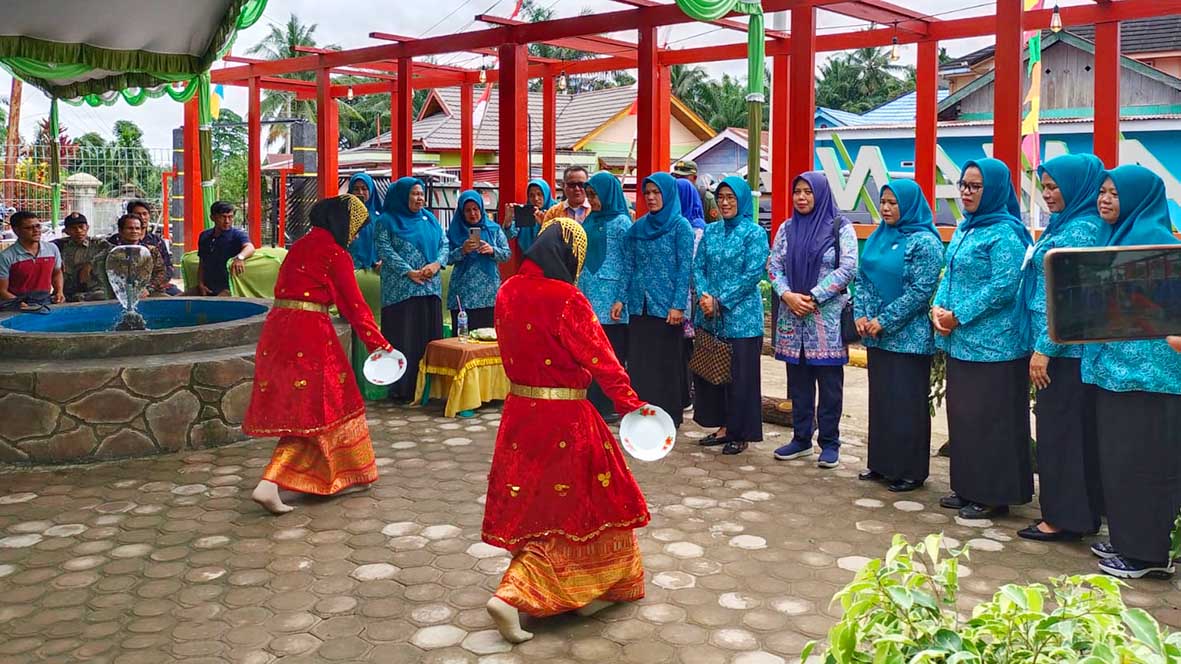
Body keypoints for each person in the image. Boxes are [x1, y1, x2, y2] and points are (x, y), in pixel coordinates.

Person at [483, 218, 650, 644]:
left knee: (534, 506)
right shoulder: (566, 298)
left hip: (519, 414)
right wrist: (632, 404)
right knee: (585, 507)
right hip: (565, 417)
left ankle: (567, 589)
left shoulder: (506, 291)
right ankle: (514, 594)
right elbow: (601, 359)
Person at [244, 195, 394, 514]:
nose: (354, 235)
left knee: (322, 403)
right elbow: (354, 306)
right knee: (316, 409)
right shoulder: (335, 253)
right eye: (355, 228)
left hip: (279, 328)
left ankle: (342, 474)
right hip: (310, 332)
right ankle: (270, 483)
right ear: (342, 223)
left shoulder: (300, 245)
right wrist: (380, 345)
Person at [1083, 165, 1181, 579]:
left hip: (1151, 379)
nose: (1105, 199)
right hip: (1114, 372)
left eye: (1115, 194)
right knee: (1121, 462)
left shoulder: (1157, 245)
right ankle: (1128, 539)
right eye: (1102, 192)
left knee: (1146, 464)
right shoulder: (1113, 239)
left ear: (1139, 199)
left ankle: (1149, 554)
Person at [931, 158, 1034, 521]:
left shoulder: (1005, 232)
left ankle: (993, 494)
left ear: (993, 191)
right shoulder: (966, 228)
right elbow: (950, 271)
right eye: (963, 184)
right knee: (966, 418)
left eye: (975, 187)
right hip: (961, 342)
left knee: (992, 421)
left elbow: (1005, 286)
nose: (966, 192)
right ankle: (968, 487)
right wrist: (938, 308)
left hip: (996, 347)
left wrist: (959, 315)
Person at [1017, 154, 1106, 541]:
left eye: (1055, 188)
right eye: (1045, 187)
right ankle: (1076, 514)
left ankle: (1063, 519)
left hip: (1064, 353)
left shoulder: (1082, 231)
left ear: (1076, 186)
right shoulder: (1064, 224)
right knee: (1066, 432)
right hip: (1058, 349)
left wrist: (1044, 350)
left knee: (1061, 435)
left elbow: (1071, 301)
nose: (1048, 195)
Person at [855, 180, 944, 492]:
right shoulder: (880, 235)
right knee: (882, 402)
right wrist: (862, 315)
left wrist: (884, 320)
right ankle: (881, 463)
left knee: (906, 403)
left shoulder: (925, 242)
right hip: (877, 337)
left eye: (893, 203)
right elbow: (863, 277)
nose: (886, 208)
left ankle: (909, 470)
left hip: (909, 338)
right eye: (883, 202)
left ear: (908, 204)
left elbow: (921, 291)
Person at [769, 173, 858, 469]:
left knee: (830, 385)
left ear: (820, 194)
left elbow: (848, 268)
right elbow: (773, 266)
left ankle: (830, 443)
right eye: (797, 192)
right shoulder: (787, 228)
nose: (802, 197)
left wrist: (814, 296)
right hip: (793, 318)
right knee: (798, 383)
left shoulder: (840, 227)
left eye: (808, 192)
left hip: (826, 320)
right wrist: (787, 295)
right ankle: (801, 438)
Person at [691, 176, 770, 456]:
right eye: (721, 197)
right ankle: (723, 427)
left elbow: (752, 274)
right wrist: (704, 296)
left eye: (731, 198)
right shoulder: (711, 232)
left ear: (741, 201)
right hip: (710, 316)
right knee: (715, 374)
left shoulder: (754, 233)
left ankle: (740, 432)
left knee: (741, 378)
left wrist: (720, 301)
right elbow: (698, 267)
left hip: (741, 320)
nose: (725, 203)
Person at [614, 172, 695, 428]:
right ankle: (642, 413)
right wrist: (619, 299)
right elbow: (628, 265)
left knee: (666, 363)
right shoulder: (638, 227)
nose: (650, 197)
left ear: (668, 194)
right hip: (639, 305)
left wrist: (678, 304)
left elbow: (685, 268)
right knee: (640, 363)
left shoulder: (680, 226)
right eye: (647, 192)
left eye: (656, 192)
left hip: (666, 306)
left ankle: (668, 416)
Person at [376, 176, 448, 403]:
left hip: (429, 288)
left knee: (429, 338)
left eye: (421, 193)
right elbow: (384, 249)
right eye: (414, 194)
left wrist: (436, 264)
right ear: (402, 197)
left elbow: (444, 243)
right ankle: (403, 389)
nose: (419, 198)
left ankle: (429, 389)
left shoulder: (429, 219)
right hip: (402, 291)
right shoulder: (386, 220)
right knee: (404, 337)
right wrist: (409, 271)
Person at [581, 172, 633, 421]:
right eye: (589, 196)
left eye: (595, 195)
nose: (592, 201)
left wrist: (622, 298)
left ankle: (612, 404)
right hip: (589, 293)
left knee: (611, 353)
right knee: (592, 351)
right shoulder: (589, 219)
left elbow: (629, 263)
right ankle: (594, 403)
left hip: (612, 297)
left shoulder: (622, 223)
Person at [446, 190, 510, 332]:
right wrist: (462, 250)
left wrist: (492, 250)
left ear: (481, 208)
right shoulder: (454, 231)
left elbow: (506, 254)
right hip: (463, 293)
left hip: (488, 294)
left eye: (475, 209)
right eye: (467, 210)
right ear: (462, 212)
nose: (472, 214)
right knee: (463, 337)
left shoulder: (493, 229)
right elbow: (446, 258)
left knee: (488, 337)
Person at [678, 177, 708, 410]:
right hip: (687, 296)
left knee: (689, 346)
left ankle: (689, 391)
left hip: (692, 297)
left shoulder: (696, 228)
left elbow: (692, 264)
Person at [0, 211, 64, 309]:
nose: (36, 230)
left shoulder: (52, 249)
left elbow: (57, 273)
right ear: (16, 230)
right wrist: (19, 303)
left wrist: (59, 291)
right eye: (29, 228)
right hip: (15, 307)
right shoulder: (6, 256)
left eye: (38, 226)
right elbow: (2, 290)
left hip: (46, 303)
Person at [195, 201, 254, 296]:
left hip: (229, 288)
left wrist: (240, 258)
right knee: (178, 301)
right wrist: (200, 284)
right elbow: (202, 262)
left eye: (230, 217)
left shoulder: (237, 234)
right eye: (223, 217)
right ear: (212, 218)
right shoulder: (204, 236)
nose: (227, 221)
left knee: (215, 305)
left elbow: (250, 247)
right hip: (207, 287)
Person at [109, 214, 173, 297]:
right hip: (118, 293)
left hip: (148, 292)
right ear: (120, 231)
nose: (134, 231)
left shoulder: (151, 251)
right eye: (130, 228)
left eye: (137, 228)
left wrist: (147, 288)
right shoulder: (113, 253)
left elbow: (161, 272)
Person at [123, 199, 178, 293]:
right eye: (138, 214)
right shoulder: (115, 244)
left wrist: (150, 287)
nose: (142, 217)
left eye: (145, 214)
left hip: (154, 287)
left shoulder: (156, 243)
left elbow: (167, 269)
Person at [53, 212, 110, 302]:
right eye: (73, 228)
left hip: (93, 292)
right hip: (67, 293)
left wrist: (90, 264)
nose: (78, 231)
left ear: (87, 228)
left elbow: (114, 251)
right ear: (66, 231)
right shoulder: (59, 246)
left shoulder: (98, 244)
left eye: (81, 227)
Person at [505, 178, 556, 255]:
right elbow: (508, 235)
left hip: (552, 258)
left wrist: (544, 224)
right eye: (531, 195)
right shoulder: (526, 212)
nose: (536, 199)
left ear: (546, 194)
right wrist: (508, 220)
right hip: (529, 259)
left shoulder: (556, 211)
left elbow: (560, 238)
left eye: (539, 194)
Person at [347, 173, 382, 271]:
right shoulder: (342, 215)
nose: (360, 192)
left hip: (375, 270)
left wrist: (384, 261)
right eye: (356, 189)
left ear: (371, 190)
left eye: (364, 188)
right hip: (348, 269)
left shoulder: (380, 218)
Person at [672, 159, 721, 223]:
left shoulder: (706, 198)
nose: (679, 180)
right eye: (676, 177)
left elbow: (716, 226)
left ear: (694, 178)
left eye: (683, 177)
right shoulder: (670, 196)